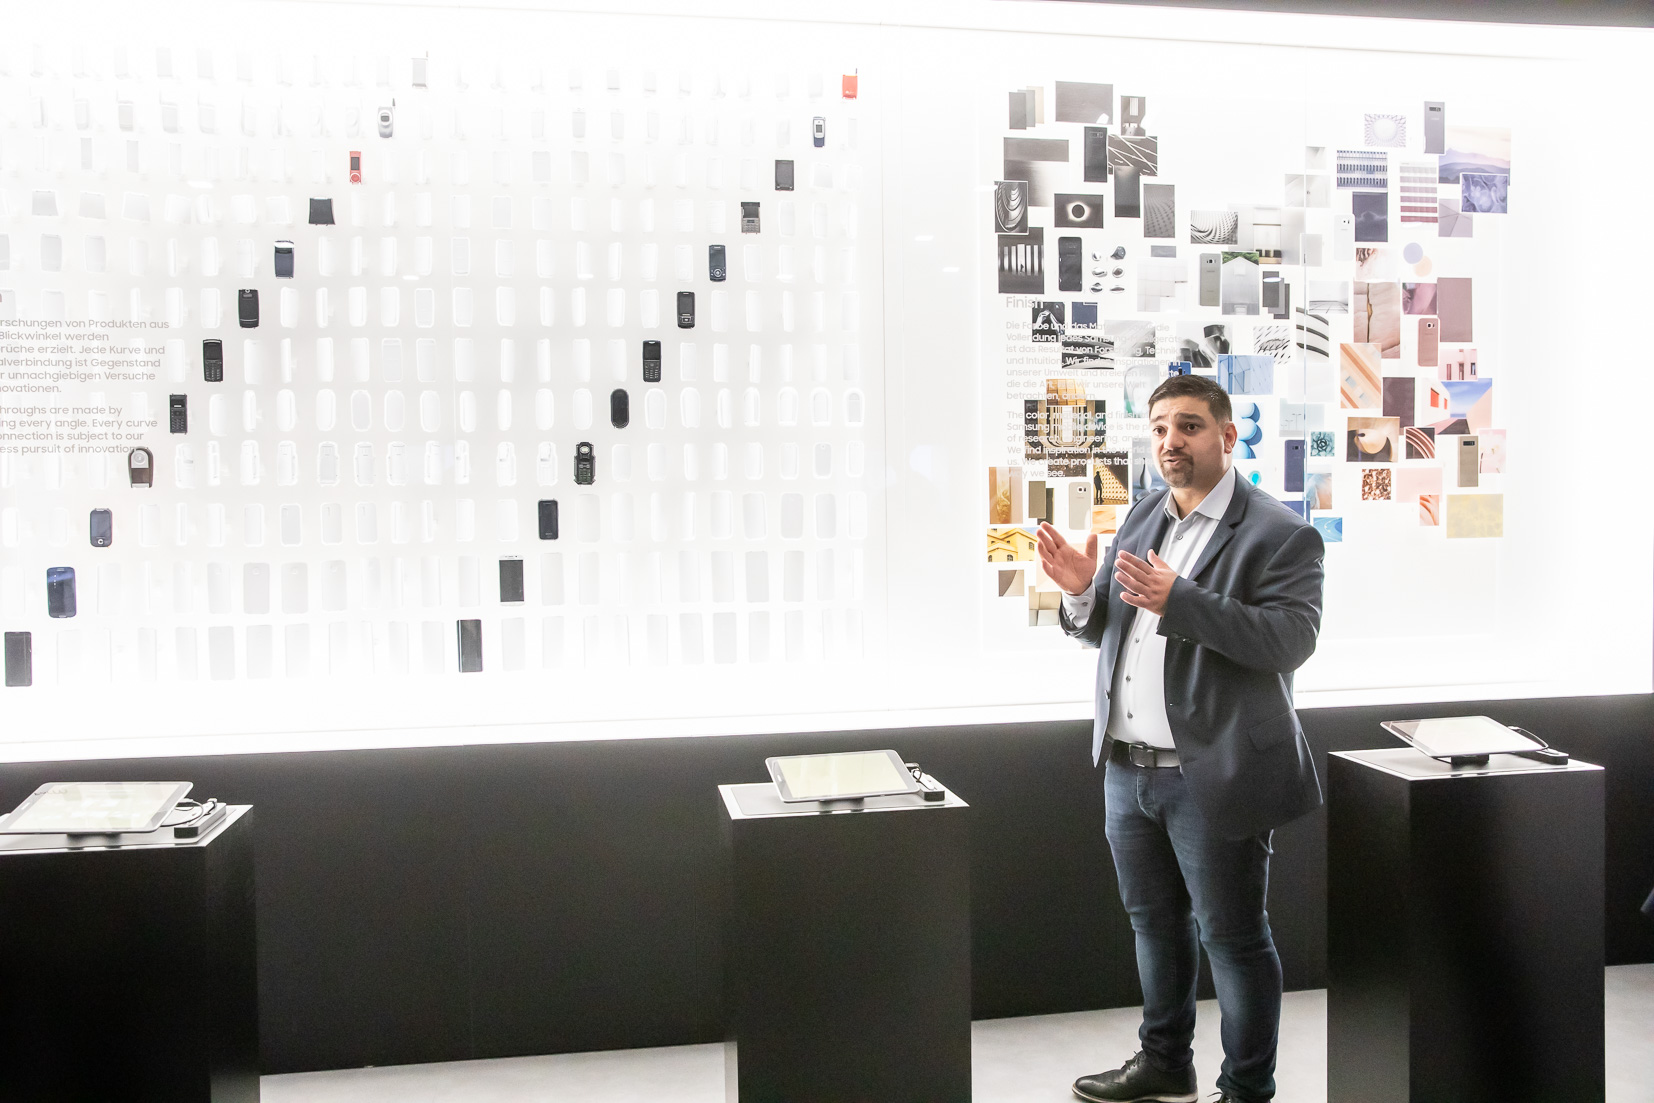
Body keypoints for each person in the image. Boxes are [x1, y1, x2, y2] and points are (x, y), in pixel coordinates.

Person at [1035, 373, 1325, 1103]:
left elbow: (1292, 640)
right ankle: (1165, 1063)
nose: (1171, 441)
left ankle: (1247, 1089)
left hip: (1213, 774)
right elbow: (1106, 627)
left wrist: (1183, 599)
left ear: (1228, 436)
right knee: (1155, 926)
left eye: (1189, 426)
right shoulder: (1143, 516)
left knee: (1232, 937)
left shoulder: (1279, 532)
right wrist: (1081, 591)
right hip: (1128, 769)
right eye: (1161, 427)